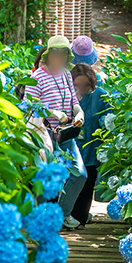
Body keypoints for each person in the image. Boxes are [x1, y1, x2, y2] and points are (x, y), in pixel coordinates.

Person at [23, 35, 87, 223]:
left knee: (80, 174)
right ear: (48, 55)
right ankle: (41, 220)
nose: (59, 58)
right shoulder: (36, 77)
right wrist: (53, 113)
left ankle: (63, 214)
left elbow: (74, 101)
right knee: (46, 178)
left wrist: (79, 113)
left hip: (65, 133)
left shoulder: (67, 74)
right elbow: (29, 106)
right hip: (45, 135)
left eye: (63, 54)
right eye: (56, 54)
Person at [70, 61, 109, 227]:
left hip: (91, 151)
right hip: (70, 151)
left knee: (86, 190)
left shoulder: (101, 96)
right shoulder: (66, 96)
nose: (81, 88)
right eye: (77, 84)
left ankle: (80, 220)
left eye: (86, 85)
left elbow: (109, 122)